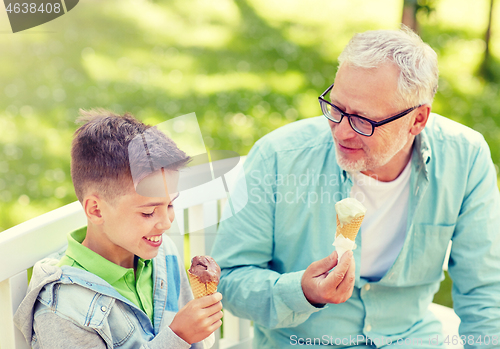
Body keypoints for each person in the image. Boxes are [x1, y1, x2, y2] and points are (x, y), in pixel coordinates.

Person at [211, 27, 500, 348]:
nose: (341, 131)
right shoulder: (278, 157)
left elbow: (485, 289)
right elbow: (228, 278)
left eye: (364, 120)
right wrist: (300, 292)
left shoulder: (465, 157)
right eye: (336, 108)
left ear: (418, 120)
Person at [14, 110, 223, 348]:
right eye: (148, 212)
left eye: (170, 204)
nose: (166, 223)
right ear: (96, 210)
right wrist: (178, 337)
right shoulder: (63, 309)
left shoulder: (165, 252)